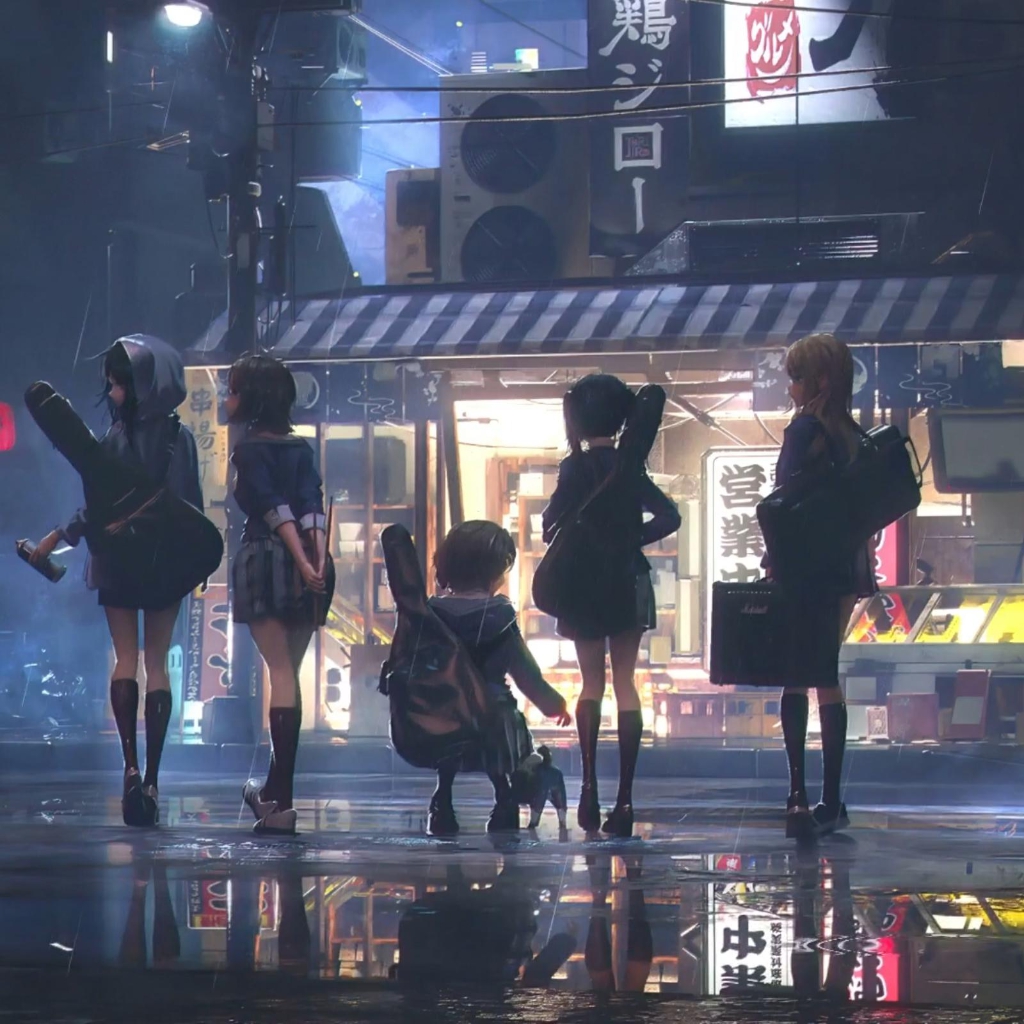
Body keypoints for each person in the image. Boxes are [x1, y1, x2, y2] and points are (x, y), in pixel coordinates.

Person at [30, 334, 203, 828]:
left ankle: (129, 766)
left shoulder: (112, 439)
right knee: (157, 663)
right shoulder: (180, 439)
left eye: (118, 382)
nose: (111, 391)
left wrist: (60, 534)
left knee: (126, 659)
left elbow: (98, 505)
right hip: (166, 559)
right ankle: (151, 778)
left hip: (118, 558)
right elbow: (189, 506)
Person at [541, 374, 680, 838]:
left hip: (580, 581)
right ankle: (625, 799)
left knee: (590, 684)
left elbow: (550, 520)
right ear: (621, 418)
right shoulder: (629, 465)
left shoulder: (573, 468)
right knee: (625, 683)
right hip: (626, 579)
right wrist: (630, 538)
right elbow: (670, 515)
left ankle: (588, 788)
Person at [768, 333, 877, 839]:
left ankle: (797, 793)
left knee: (794, 674)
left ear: (820, 381)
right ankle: (833, 800)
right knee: (827, 675)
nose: (790, 387)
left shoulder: (804, 430)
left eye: (796, 378)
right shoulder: (854, 434)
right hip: (845, 568)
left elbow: (783, 496)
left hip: (802, 568)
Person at [225, 354, 335, 836]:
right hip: (309, 569)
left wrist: (302, 558)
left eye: (233, 389)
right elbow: (311, 506)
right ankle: (274, 793)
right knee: (290, 671)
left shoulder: (247, 451)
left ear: (252, 397)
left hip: (265, 563)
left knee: (281, 672)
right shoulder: (302, 448)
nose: (227, 398)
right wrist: (315, 560)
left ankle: (280, 800)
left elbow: (272, 510)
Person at [427, 520, 572, 836]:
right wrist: (554, 705)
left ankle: (442, 801)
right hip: (490, 720)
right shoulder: (501, 618)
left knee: (449, 752)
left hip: (439, 714)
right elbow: (526, 674)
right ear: (495, 573)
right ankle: (504, 799)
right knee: (505, 717)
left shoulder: (428, 614)